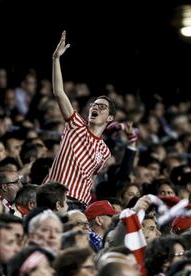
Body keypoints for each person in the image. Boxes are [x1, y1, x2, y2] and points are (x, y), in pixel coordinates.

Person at [43, 31, 116, 206]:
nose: (96, 107)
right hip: (52, 196)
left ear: (110, 118)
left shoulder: (105, 151)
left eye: (102, 106)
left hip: (78, 203)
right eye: (94, 105)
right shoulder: (76, 124)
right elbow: (59, 92)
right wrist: (56, 59)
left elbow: (91, 176)